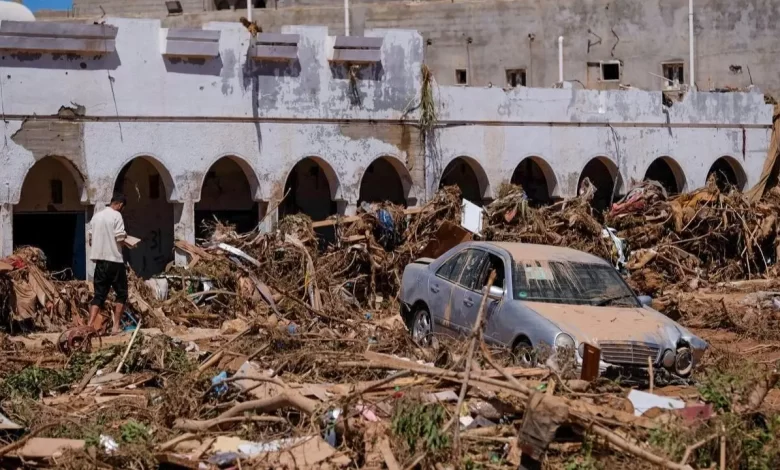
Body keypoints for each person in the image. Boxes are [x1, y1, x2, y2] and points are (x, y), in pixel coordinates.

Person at [87, 193, 128, 335]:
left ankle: (89, 325)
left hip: (100, 262)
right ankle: (116, 327)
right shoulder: (117, 216)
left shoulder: (96, 216)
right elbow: (119, 238)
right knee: (122, 294)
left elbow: (90, 239)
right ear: (120, 205)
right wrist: (127, 243)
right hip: (115, 261)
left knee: (98, 295)